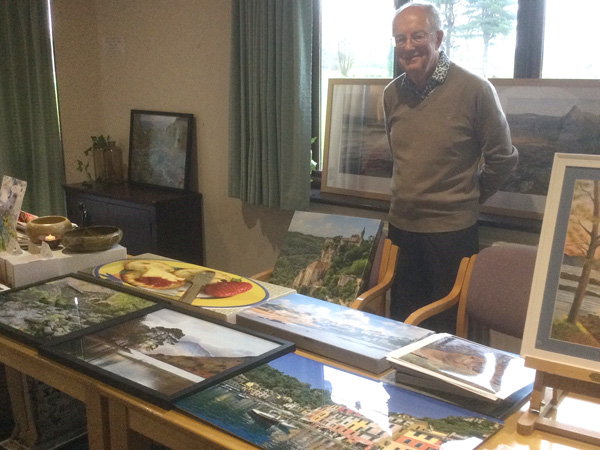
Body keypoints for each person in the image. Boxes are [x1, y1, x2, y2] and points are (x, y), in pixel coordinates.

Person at [383, 1, 518, 332]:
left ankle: (441, 388)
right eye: (400, 39)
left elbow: (503, 157)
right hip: (402, 228)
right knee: (401, 325)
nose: (408, 46)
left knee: (445, 332)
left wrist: (467, 195)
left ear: (439, 38)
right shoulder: (391, 94)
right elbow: (400, 157)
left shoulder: (474, 90)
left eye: (418, 36)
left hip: (451, 234)